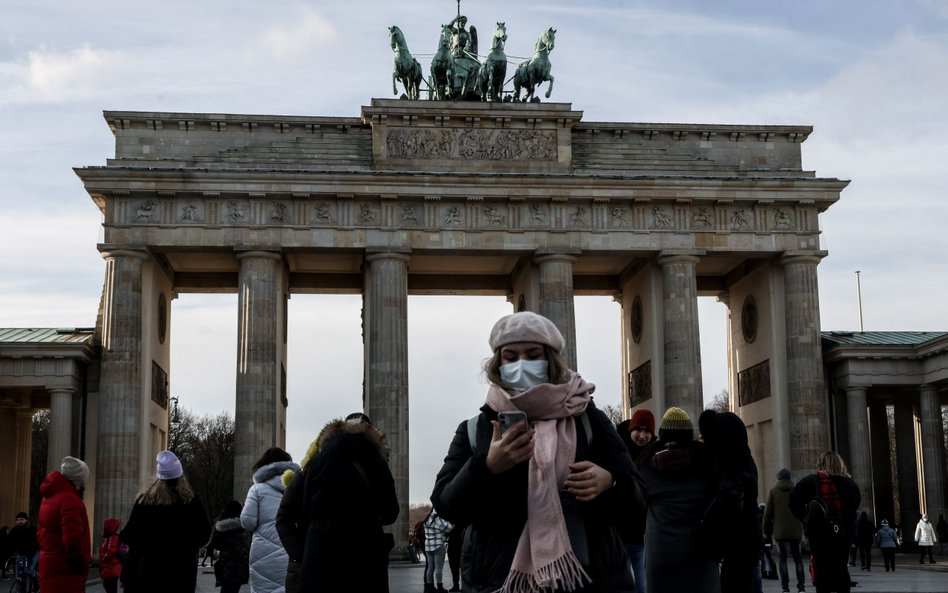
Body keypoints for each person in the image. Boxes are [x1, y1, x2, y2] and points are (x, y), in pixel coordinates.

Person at [432, 311, 643, 593]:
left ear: (550, 361)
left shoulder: (589, 420)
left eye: (533, 355)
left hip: (590, 578)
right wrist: (486, 467)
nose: (521, 364)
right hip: (499, 580)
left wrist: (610, 482)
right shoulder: (475, 429)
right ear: (498, 362)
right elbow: (446, 505)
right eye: (511, 356)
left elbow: (639, 504)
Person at [297, 413, 399, 592]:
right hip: (366, 553)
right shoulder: (377, 462)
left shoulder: (317, 462)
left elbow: (304, 511)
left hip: (321, 552)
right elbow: (391, 511)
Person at [639, 407, 720, 592]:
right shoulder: (706, 463)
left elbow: (636, 506)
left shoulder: (647, 466)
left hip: (661, 554)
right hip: (700, 554)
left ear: (662, 434)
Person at [120, 450, 211, 593]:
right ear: (180, 475)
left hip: (148, 571)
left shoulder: (145, 501)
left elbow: (129, 535)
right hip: (181, 573)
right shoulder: (191, 501)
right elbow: (204, 535)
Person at [698, 409, 762, 593]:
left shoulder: (734, 470)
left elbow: (727, 500)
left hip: (739, 544)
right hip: (745, 542)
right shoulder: (743, 462)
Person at [789, 451, 860, 593]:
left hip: (819, 534)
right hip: (843, 534)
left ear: (821, 464)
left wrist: (805, 517)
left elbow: (793, 500)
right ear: (840, 465)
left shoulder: (812, 481)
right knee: (841, 569)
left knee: (821, 570)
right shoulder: (850, 484)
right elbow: (856, 505)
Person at [241, 446, 299, 593]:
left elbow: (247, 522)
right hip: (291, 549)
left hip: (263, 555)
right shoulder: (298, 487)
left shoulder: (257, 489)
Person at [615, 408, 656, 593]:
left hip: (642, 535)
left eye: (647, 431)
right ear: (630, 429)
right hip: (617, 533)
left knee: (643, 585)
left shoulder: (655, 457)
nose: (642, 435)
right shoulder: (615, 451)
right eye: (638, 430)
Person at [37, 456, 92, 593]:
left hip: (49, 566)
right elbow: (72, 541)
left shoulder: (49, 497)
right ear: (79, 478)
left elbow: (41, 533)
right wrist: (81, 563)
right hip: (65, 571)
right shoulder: (70, 500)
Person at [275, 435, 321, 593]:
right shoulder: (302, 479)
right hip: (304, 558)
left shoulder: (299, 479)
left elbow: (282, 519)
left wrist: (296, 552)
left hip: (298, 559)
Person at [764, 468, 806, 593]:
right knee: (798, 558)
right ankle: (801, 587)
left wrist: (766, 529)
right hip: (795, 531)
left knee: (782, 559)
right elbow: (802, 511)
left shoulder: (773, 492)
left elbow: (768, 513)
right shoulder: (796, 491)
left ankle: (785, 587)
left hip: (780, 531)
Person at [210, 500, 251, 593]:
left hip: (228, 569)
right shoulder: (246, 529)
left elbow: (216, 544)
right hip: (242, 569)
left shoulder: (224, 529)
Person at [423, 508, 453, 593]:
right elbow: (448, 528)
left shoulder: (427, 519)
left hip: (428, 546)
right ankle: (440, 587)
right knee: (438, 568)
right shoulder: (438, 519)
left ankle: (429, 587)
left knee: (430, 567)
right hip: (438, 545)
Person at [8, 511, 38, 585]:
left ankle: (36, 582)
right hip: (21, 554)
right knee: (19, 576)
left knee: (28, 571)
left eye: (22, 519)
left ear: (26, 520)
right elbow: (9, 542)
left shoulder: (32, 529)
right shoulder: (15, 530)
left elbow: (36, 543)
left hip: (33, 553)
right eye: (18, 520)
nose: (20, 521)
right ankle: (21, 589)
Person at [99, 517, 123, 593]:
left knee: (110, 588)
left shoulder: (112, 537)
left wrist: (103, 559)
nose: (104, 527)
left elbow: (111, 551)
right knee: (109, 587)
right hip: (109, 568)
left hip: (111, 567)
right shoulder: (108, 537)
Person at [446, 520, 464, 592]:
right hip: (459, 545)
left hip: (454, 546)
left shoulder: (451, 522)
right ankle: (459, 585)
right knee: (460, 567)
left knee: (454, 568)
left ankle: (456, 585)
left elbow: (446, 533)